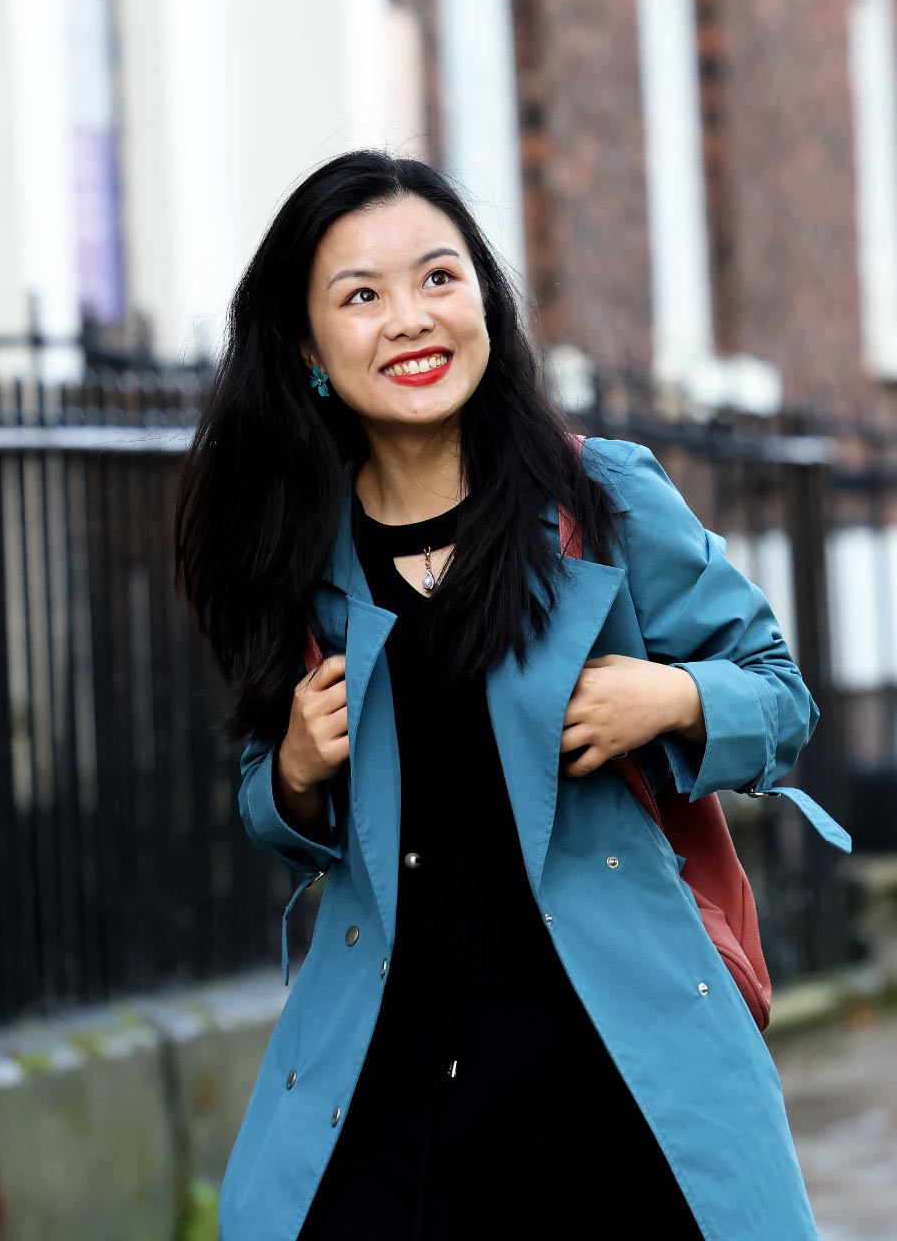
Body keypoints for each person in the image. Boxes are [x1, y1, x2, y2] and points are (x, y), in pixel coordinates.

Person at [174, 150, 840, 1241]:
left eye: (440, 277)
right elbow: (277, 811)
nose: (410, 319)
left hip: (614, 1081)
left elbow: (781, 695)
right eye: (362, 295)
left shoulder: (602, 498)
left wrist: (670, 698)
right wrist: (291, 769)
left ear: (484, 295)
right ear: (307, 349)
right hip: (388, 1097)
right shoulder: (299, 555)